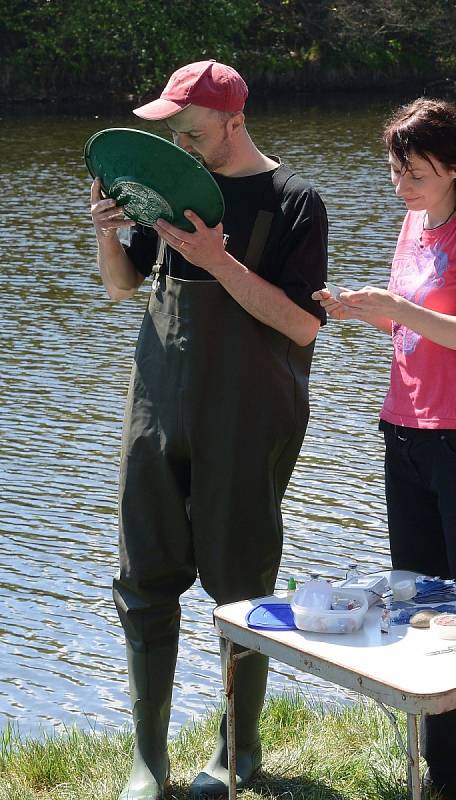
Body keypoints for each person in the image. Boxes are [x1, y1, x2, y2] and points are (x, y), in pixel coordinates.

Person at [89, 60, 328, 800]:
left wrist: (217, 261)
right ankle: (148, 762)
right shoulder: (168, 180)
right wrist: (106, 234)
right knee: (143, 575)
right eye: (172, 130)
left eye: (191, 130)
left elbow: (301, 323)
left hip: (249, 413)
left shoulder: (296, 201)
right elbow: (125, 286)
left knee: (240, 579)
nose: (181, 144)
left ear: (234, 119)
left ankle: (237, 751)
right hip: (157, 402)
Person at [313, 98, 456, 800]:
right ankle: (449, 777)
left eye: (413, 171)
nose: (401, 184)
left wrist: (398, 309)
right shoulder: (415, 222)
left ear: (455, 165)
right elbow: (414, 328)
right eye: (395, 170)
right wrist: (366, 312)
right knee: (420, 609)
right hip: (404, 437)